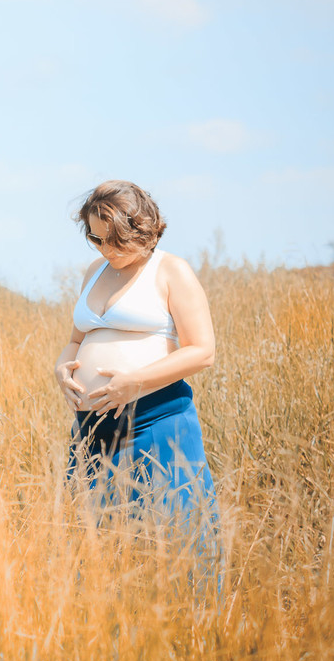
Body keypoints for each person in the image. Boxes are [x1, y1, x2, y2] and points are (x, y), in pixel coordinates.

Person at [54, 180, 219, 546]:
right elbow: (76, 340)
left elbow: (202, 351)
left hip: (155, 419)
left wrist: (134, 382)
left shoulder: (171, 270)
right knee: (92, 544)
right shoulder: (94, 271)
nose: (105, 249)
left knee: (175, 536)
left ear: (141, 229)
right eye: (96, 239)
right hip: (92, 431)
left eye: (114, 240)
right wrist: (62, 367)